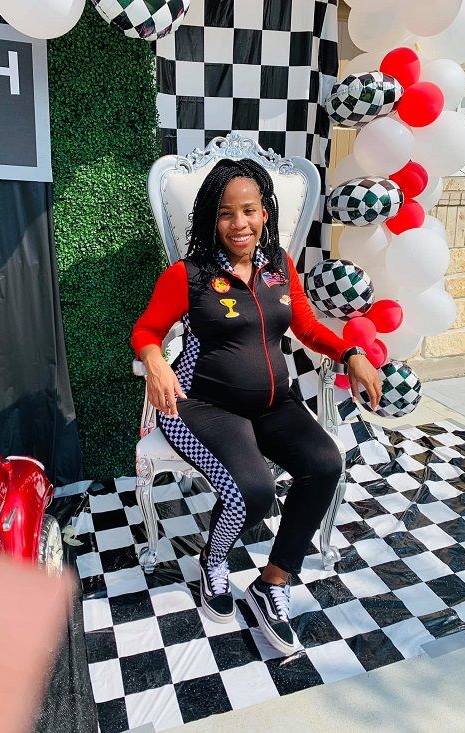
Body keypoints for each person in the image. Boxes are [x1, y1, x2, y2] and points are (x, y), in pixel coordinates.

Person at [131, 158, 382, 655]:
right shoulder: (189, 275)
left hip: (273, 404)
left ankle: (273, 581)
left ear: (266, 213)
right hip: (199, 404)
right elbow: (146, 330)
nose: (239, 223)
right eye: (226, 213)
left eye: (249, 210)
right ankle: (213, 562)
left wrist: (350, 353)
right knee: (254, 491)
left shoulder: (280, 269)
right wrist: (155, 360)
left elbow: (306, 328)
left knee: (325, 463)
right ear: (212, 218)